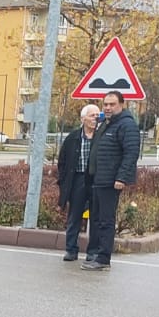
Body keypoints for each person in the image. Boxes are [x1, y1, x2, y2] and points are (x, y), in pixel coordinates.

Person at [82, 90, 140, 271]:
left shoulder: (126, 125)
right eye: (105, 104)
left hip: (110, 181)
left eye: (112, 104)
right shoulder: (106, 124)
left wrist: (121, 177)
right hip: (98, 179)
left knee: (106, 220)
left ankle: (103, 259)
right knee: (96, 219)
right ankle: (94, 254)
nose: (107, 107)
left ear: (121, 105)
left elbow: (131, 153)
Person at [57, 103, 98, 261]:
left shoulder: (101, 136)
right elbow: (62, 161)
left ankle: (92, 252)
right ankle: (71, 249)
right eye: (92, 115)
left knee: (96, 216)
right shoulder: (73, 138)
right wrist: (63, 180)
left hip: (96, 180)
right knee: (74, 216)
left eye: (97, 116)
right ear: (83, 119)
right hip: (77, 179)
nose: (95, 119)